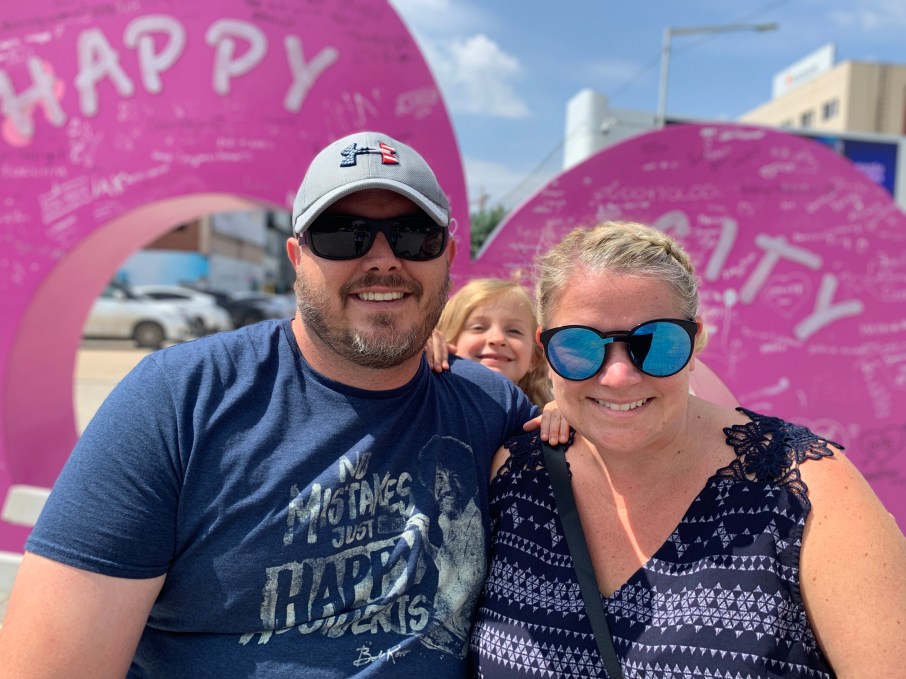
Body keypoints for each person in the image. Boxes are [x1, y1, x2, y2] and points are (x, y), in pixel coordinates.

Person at [0, 131, 539, 678]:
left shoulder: (492, 407)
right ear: (296, 258)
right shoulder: (178, 400)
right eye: (342, 235)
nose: (383, 260)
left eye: (414, 236)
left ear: (447, 257)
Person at [469, 221, 906, 678]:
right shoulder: (515, 478)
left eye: (655, 343)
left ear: (694, 341)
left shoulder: (805, 488)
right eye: (579, 344)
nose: (618, 377)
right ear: (547, 350)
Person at [435, 277, 551, 409]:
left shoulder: (545, 416)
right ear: (446, 343)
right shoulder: (429, 399)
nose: (497, 339)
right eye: (479, 328)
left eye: (514, 331)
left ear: (534, 359)